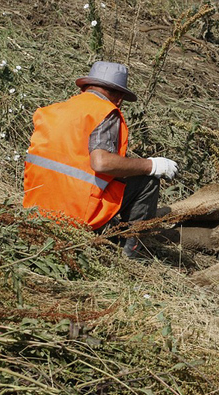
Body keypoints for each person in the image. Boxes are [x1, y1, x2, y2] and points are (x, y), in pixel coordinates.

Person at [23, 61, 178, 257]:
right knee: (147, 180)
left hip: (36, 210)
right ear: (120, 98)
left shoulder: (53, 110)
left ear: (85, 87)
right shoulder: (105, 111)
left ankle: (112, 231)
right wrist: (151, 165)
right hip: (76, 215)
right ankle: (134, 256)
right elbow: (101, 162)